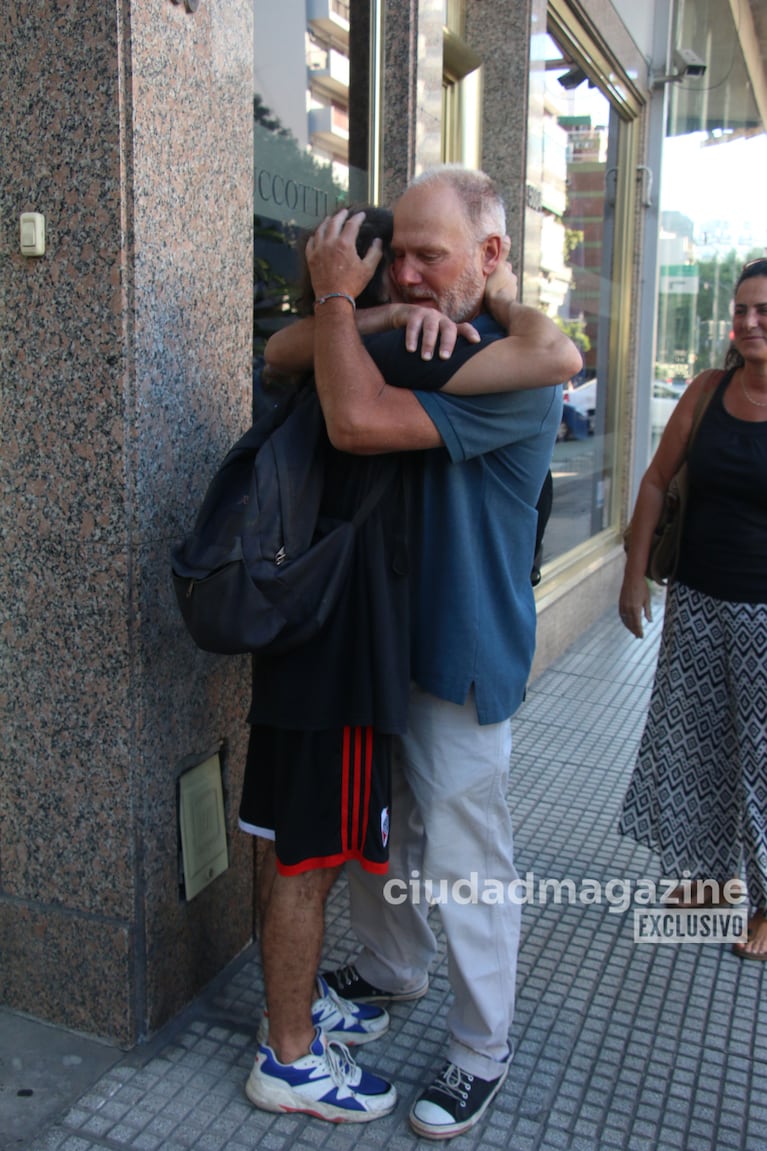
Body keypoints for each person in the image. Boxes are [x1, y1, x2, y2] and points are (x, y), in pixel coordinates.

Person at [260, 165, 580, 1139]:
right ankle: (394, 967)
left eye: (424, 256)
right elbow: (283, 353)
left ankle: (481, 1049)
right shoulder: (413, 335)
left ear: (490, 257)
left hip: (459, 650)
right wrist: (368, 319)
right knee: (381, 833)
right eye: (393, 253)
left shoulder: (513, 365)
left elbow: (352, 419)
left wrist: (346, 312)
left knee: (466, 858)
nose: (402, 271)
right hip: (376, 640)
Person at [618, 256, 767, 961]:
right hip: (698, 604)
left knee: (762, 760)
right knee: (696, 745)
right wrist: (632, 575)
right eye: (740, 309)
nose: (747, 321)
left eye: (761, 309)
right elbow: (653, 481)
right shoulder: (708, 391)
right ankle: (709, 884)